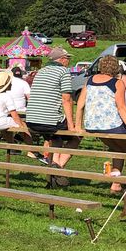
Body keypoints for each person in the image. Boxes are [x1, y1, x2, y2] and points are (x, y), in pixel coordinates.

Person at [74, 54, 126, 196]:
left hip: (92, 125)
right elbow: (122, 108)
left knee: (118, 149)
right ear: (115, 68)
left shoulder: (89, 80)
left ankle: (116, 184)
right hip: (111, 125)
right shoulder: (117, 83)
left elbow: (80, 104)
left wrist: (78, 126)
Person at [24, 45, 80, 184]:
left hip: (32, 120)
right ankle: (58, 169)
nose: (69, 61)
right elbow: (66, 99)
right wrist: (72, 125)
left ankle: (54, 169)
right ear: (61, 60)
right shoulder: (63, 72)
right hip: (48, 121)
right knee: (76, 137)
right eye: (67, 58)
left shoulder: (41, 71)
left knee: (57, 139)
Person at [0, 70, 33, 145]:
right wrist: (21, 126)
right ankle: (32, 149)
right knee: (23, 125)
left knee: (7, 126)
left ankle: (12, 145)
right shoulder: (6, 96)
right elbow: (15, 115)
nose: (12, 84)